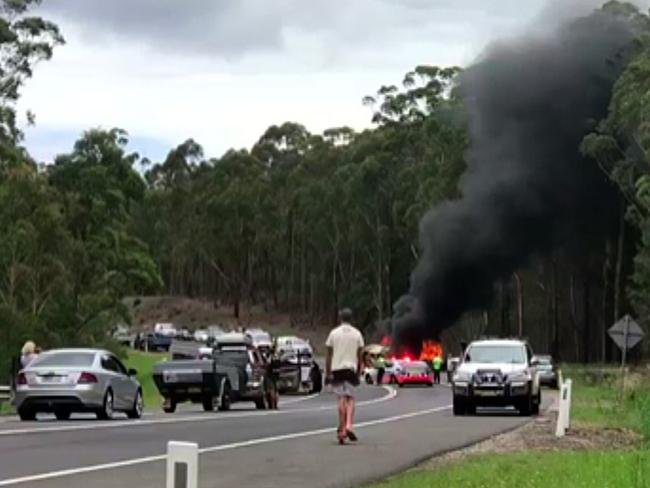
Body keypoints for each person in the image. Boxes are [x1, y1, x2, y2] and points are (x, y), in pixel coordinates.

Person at [325, 308, 364, 445]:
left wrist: (328, 372)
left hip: (337, 369)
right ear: (351, 319)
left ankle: (341, 428)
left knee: (341, 398)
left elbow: (329, 354)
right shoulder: (357, 334)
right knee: (350, 398)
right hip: (351, 369)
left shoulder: (333, 333)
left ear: (340, 318)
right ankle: (348, 425)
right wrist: (359, 372)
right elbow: (360, 355)